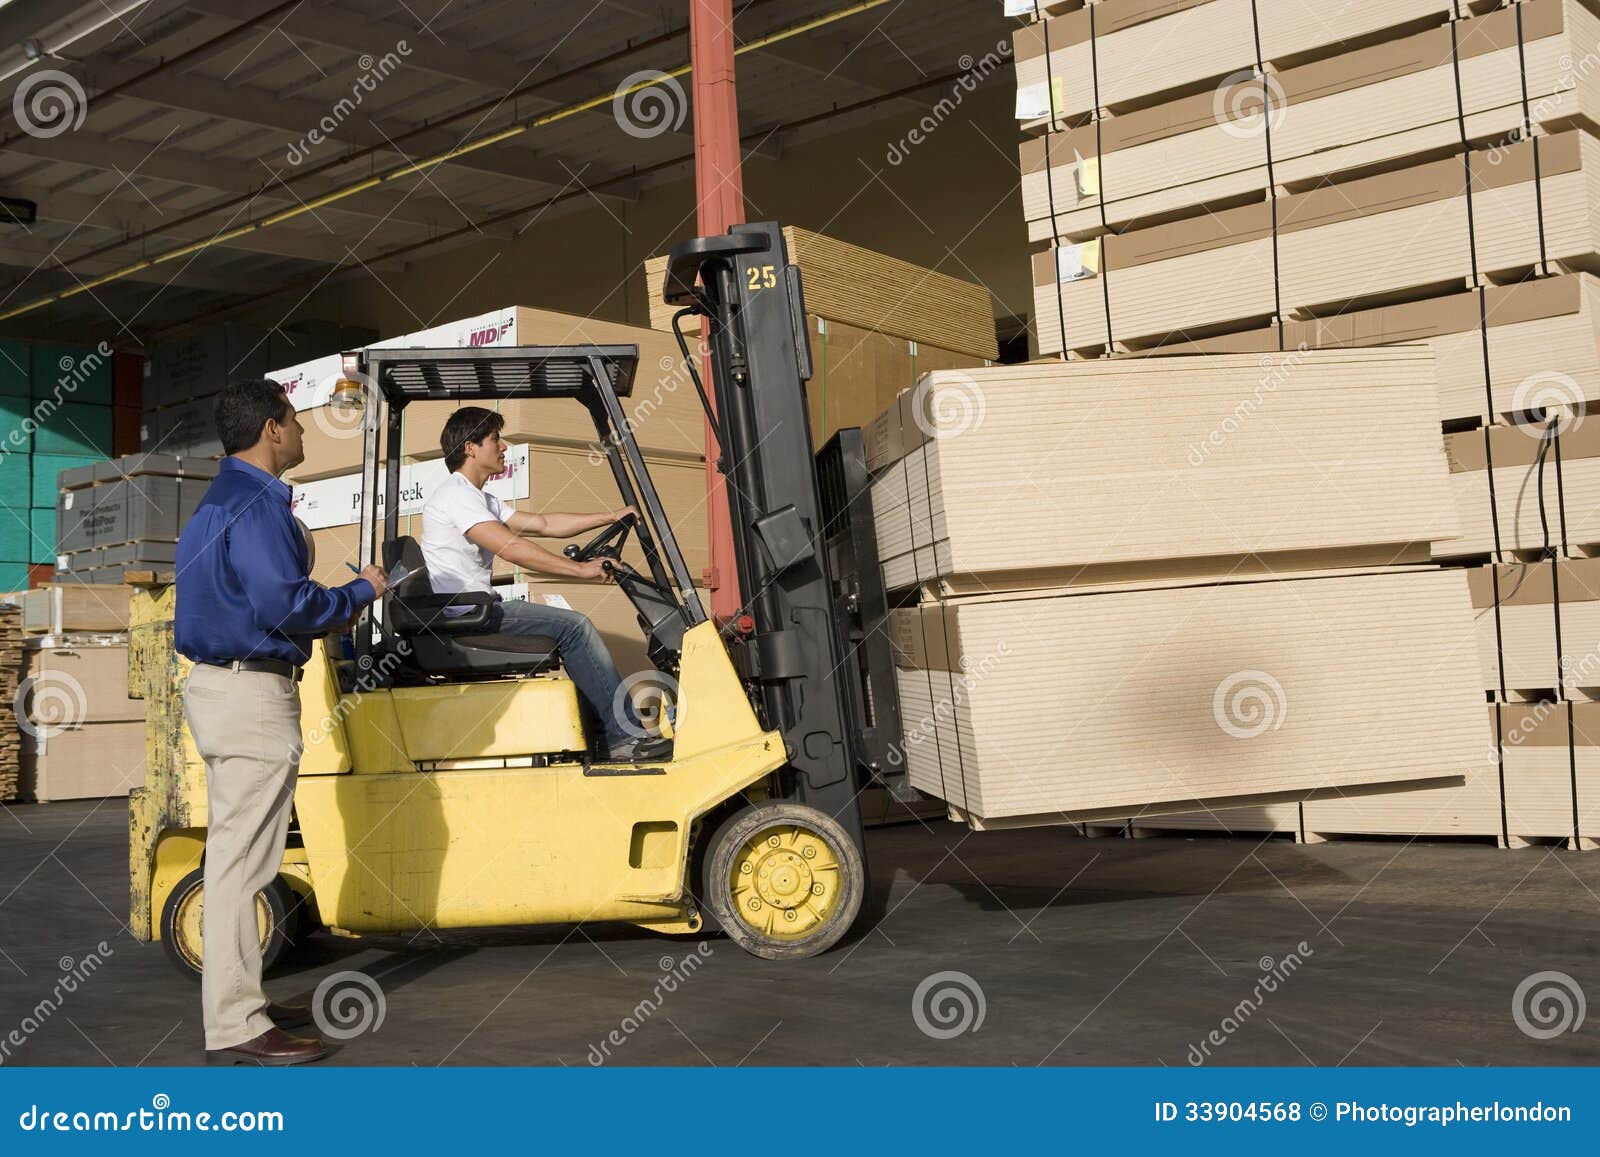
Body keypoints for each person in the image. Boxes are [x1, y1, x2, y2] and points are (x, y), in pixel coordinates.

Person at [174, 379, 387, 1066]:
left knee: (238, 856)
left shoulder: (214, 503)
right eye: (295, 422)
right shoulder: (259, 502)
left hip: (218, 689)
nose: (300, 433)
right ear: (271, 428)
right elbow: (283, 601)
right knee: (241, 863)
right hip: (251, 694)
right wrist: (363, 591)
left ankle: (242, 1002)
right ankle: (235, 1024)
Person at [420, 406, 666, 761]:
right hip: (469, 614)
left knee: (569, 626)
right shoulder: (456, 495)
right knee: (576, 628)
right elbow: (511, 547)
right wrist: (581, 571)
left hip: (476, 609)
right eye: (494, 439)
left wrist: (610, 516)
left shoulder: (480, 498)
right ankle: (624, 738)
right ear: (470, 448)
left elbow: (545, 524)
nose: (503, 447)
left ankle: (601, 737)